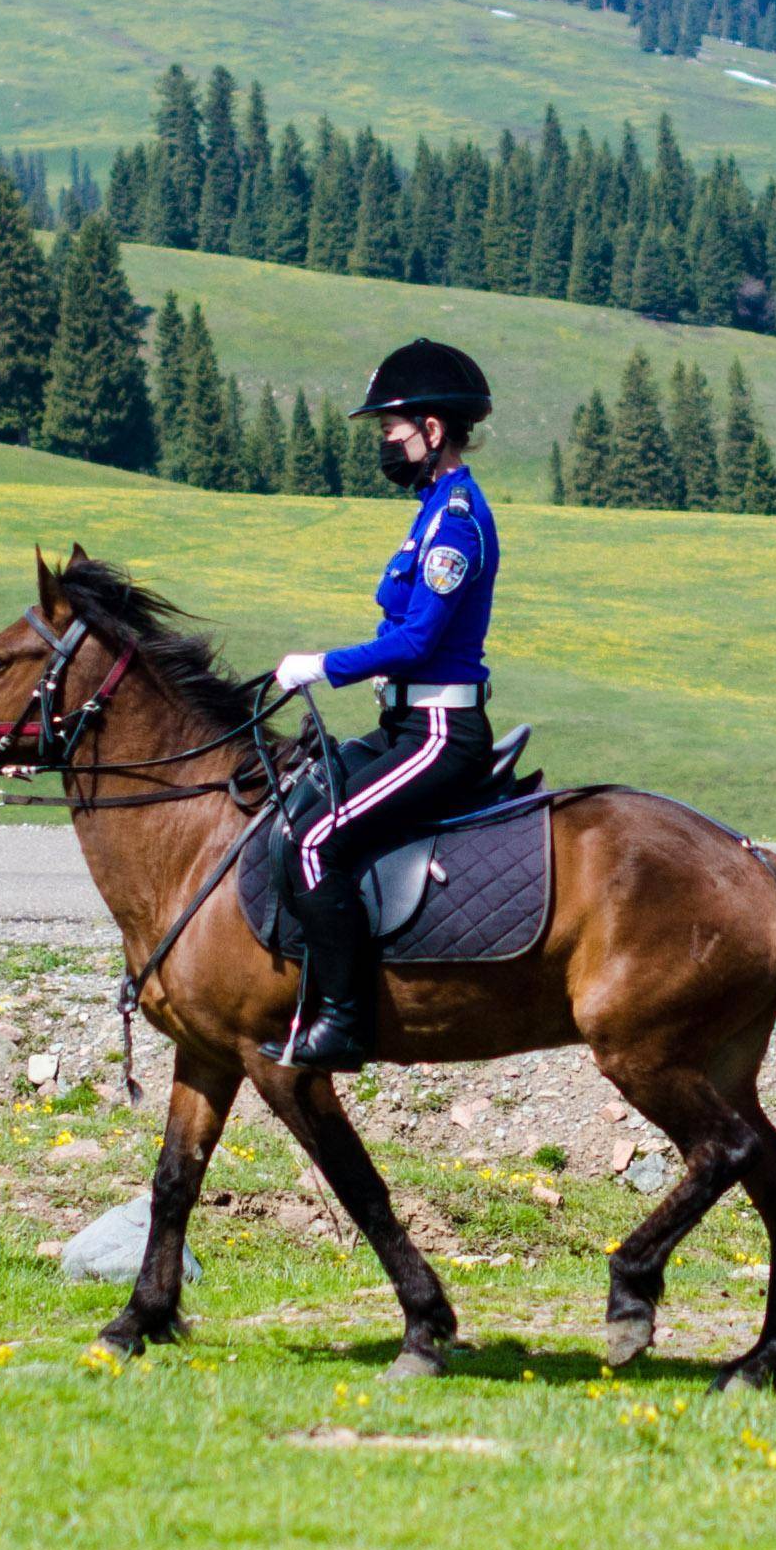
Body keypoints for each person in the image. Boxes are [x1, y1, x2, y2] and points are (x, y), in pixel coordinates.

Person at [257, 338, 504, 1074]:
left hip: (439, 731)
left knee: (311, 843)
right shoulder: (430, 510)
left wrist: (322, 666)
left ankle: (343, 1022)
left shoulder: (455, 519)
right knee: (300, 796)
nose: (385, 448)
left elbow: (420, 638)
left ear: (433, 431)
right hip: (404, 721)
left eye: (392, 434)